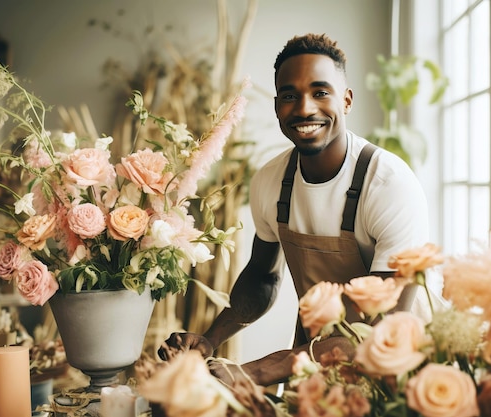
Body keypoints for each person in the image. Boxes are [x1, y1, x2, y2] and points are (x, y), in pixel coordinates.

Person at [159, 33, 430, 386]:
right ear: (277, 107)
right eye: (290, 95)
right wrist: (211, 339)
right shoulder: (270, 181)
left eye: (320, 92)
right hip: (314, 363)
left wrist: (255, 370)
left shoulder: (388, 184)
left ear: (346, 101)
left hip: (400, 369)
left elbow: (379, 329)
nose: (304, 108)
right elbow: (263, 278)